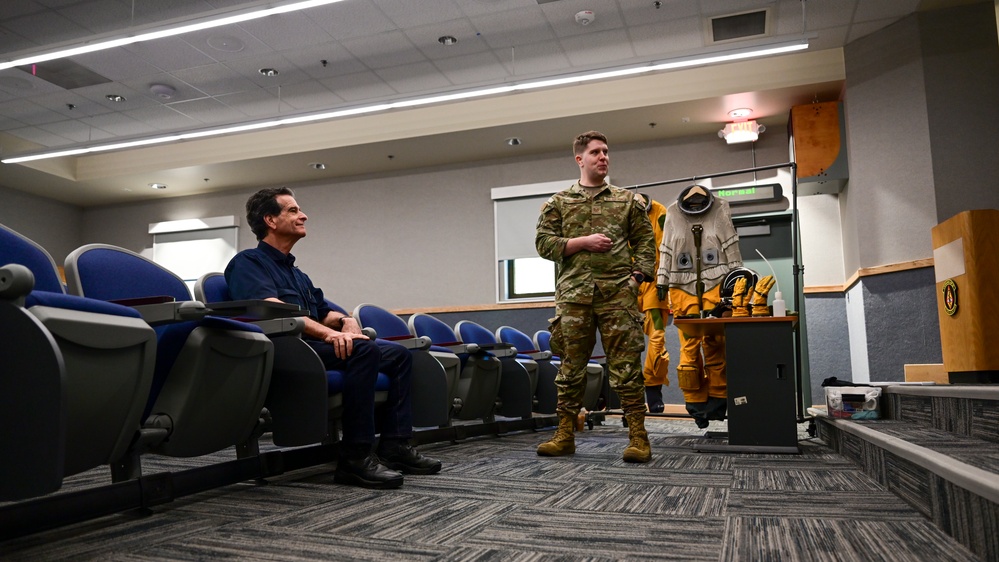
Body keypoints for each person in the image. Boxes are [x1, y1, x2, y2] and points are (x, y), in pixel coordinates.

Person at [225, 187, 441, 489]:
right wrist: (330, 335)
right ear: (270, 220)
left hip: (313, 346)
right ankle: (355, 458)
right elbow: (268, 309)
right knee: (364, 353)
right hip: (286, 350)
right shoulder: (248, 263)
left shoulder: (297, 273)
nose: (303, 215)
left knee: (399, 355)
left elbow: (325, 312)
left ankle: (395, 446)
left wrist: (348, 322)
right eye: (292, 210)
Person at [535, 131, 657, 463]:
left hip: (618, 295)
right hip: (574, 297)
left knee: (626, 368)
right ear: (580, 159)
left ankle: (638, 438)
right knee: (570, 369)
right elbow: (544, 244)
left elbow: (646, 245)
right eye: (595, 152)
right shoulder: (558, 202)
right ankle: (564, 435)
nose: (603, 157)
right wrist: (581, 242)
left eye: (606, 152)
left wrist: (635, 279)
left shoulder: (627, 201)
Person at [654, 185, 741, 428]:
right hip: (682, 288)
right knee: (689, 348)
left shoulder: (721, 207)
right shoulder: (672, 212)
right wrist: (662, 279)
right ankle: (694, 402)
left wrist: (737, 277)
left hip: (717, 284)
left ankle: (718, 400)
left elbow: (732, 245)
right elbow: (666, 249)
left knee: (715, 344)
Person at [634, 193, 671, 414]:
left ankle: (653, 389)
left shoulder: (660, 212)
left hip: (654, 280)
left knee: (657, 337)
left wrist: (666, 281)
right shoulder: (619, 212)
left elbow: (668, 250)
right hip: (627, 283)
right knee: (626, 344)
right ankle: (631, 399)